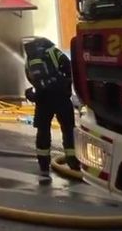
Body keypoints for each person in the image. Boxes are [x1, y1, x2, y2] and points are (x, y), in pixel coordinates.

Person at [23, 37, 80, 181]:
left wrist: (35, 94)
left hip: (43, 101)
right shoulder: (53, 51)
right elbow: (68, 67)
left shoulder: (30, 58)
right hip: (61, 98)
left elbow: (30, 78)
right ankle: (73, 163)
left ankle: (43, 167)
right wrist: (66, 85)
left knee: (43, 132)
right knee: (68, 129)